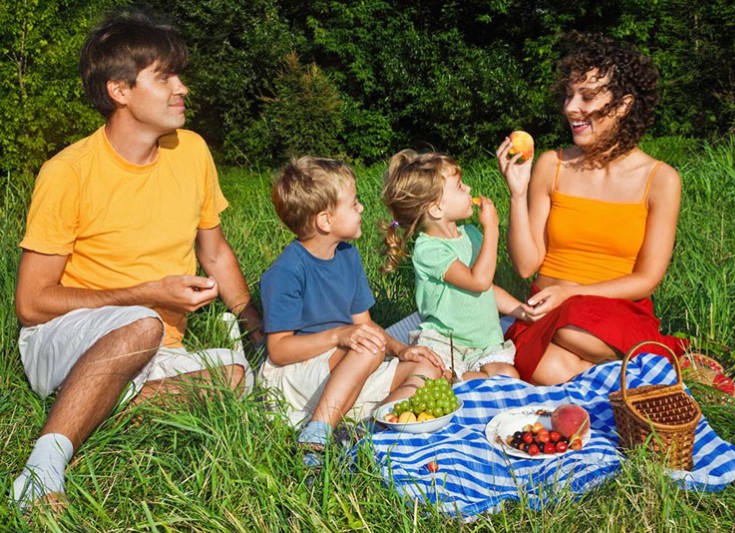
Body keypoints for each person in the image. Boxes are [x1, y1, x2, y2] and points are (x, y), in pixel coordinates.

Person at [10, 9, 263, 511]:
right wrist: (146, 296)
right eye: (164, 76)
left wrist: (257, 328)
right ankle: (41, 470)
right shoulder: (68, 173)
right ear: (119, 90)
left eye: (179, 75)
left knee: (237, 377)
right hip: (64, 336)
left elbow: (213, 251)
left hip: (155, 345)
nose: (182, 88)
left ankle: (96, 409)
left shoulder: (190, 151)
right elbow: (32, 304)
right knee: (144, 323)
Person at [496, 33, 693, 385]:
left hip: (609, 314)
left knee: (570, 326)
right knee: (545, 370)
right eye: (570, 95)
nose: (571, 108)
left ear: (623, 105)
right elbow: (527, 266)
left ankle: (658, 354)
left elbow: (646, 280)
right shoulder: (550, 165)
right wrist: (516, 193)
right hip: (546, 308)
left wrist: (571, 292)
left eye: (586, 97)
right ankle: (643, 373)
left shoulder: (661, 180)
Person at [259, 156, 448, 454]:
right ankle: (316, 436)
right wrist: (339, 335)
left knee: (426, 367)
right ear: (325, 220)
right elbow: (279, 350)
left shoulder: (348, 256)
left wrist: (401, 350)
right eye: (353, 202)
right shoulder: (287, 271)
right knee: (369, 347)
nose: (361, 208)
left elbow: (364, 325)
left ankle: (363, 432)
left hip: (347, 367)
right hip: (294, 376)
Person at [381, 150, 527, 381]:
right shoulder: (428, 249)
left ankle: (467, 380)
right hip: (446, 342)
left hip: (484, 344)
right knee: (439, 375)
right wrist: (493, 229)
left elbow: (487, 290)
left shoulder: (471, 234)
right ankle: (461, 381)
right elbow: (478, 281)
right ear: (436, 208)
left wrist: (522, 310)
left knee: (508, 375)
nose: (468, 189)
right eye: (460, 186)